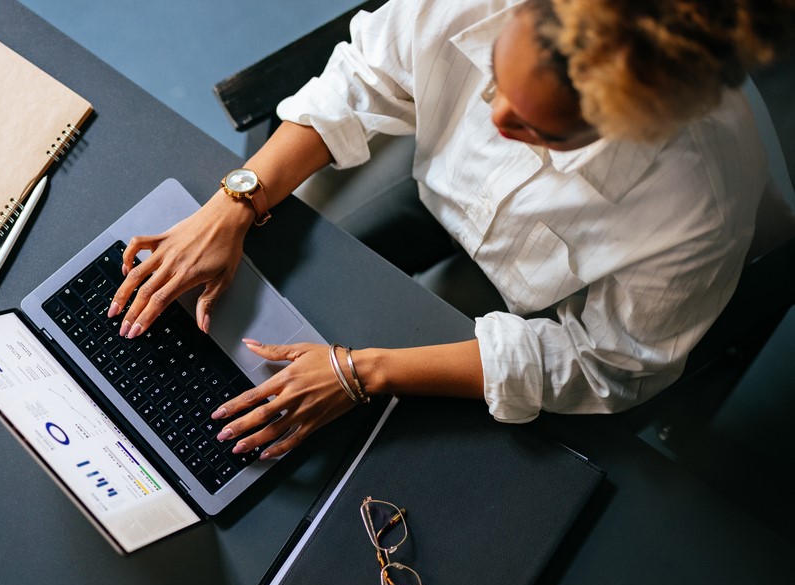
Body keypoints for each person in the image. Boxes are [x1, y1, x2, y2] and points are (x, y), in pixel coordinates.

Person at [106, 0, 793, 460]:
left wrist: (364, 372)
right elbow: (365, 77)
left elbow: (603, 362)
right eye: (494, 76)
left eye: (536, 129)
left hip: (554, 295)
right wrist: (236, 202)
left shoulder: (695, 207)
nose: (494, 124)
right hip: (433, 183)